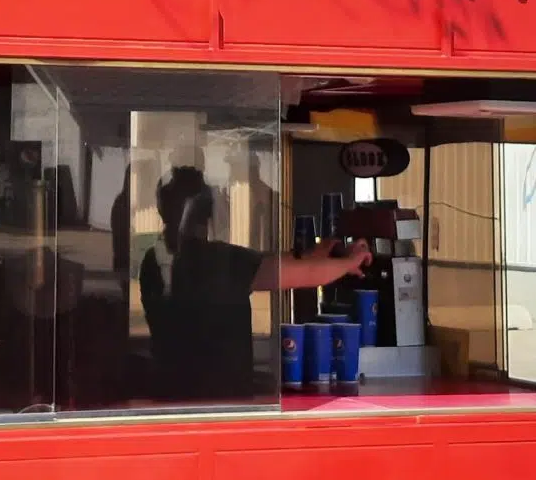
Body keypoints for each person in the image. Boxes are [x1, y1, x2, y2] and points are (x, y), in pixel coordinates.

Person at [139, 165, 369, 399]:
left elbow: (270, 262)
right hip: (220, 399)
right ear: (207, 213)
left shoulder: (153, 260)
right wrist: (351, 262)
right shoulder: (216, 259)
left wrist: (315, 254)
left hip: (170, 392)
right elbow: (301, 274)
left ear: (161, 210)